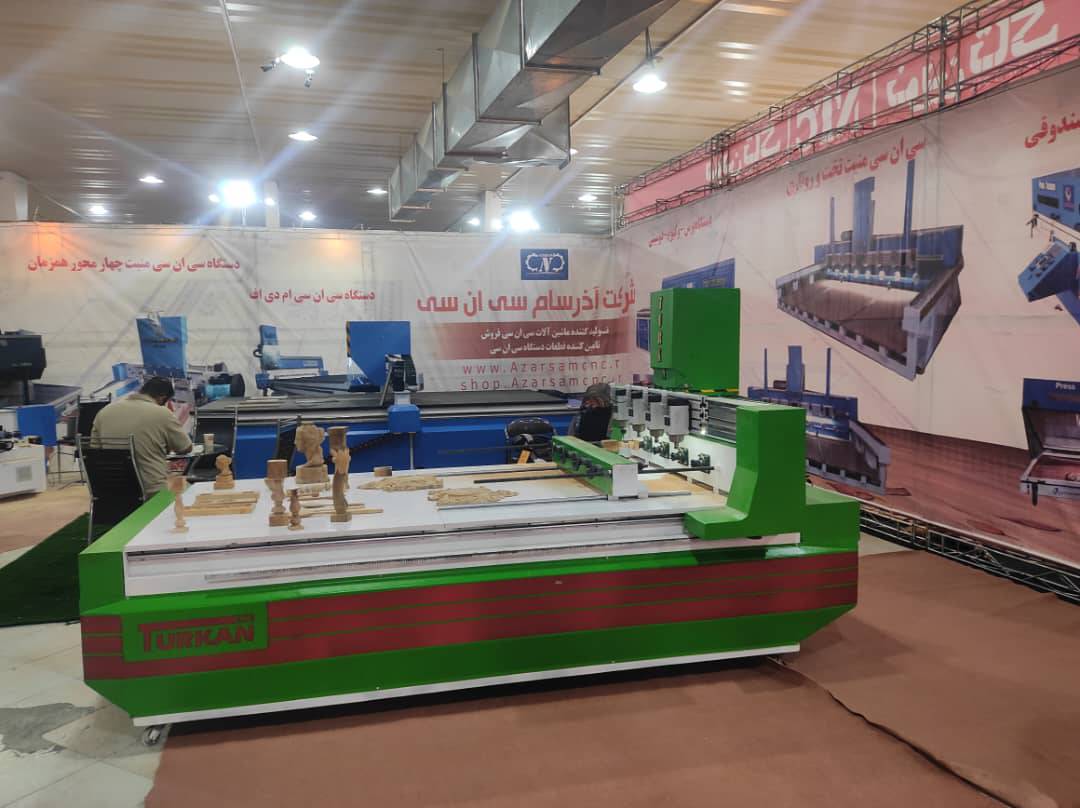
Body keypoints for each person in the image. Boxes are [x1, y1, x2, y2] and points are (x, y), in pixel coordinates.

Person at [91, 377, 193, 495]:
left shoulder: (104, 412)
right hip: (151, 492)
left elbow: (94, 450)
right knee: (183, 496)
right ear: (162, 398)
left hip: (111, 490)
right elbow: (185, 447)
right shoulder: (162, 413)